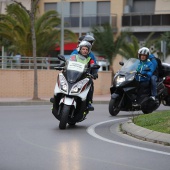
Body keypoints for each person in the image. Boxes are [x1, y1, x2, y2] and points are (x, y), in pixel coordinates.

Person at [70, 41, 96, 111]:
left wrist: (94, 73)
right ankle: (57, 97)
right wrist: (63, 65)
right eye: (83, 49)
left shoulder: (90, 59)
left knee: (90, 82)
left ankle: (89, 103)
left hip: (84, 77)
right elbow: (68, 62)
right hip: (73, 75)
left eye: (86, 49)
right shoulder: (74, 57)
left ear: (88, 51)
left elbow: (93, 65)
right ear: (80, 49)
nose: (85, 51)